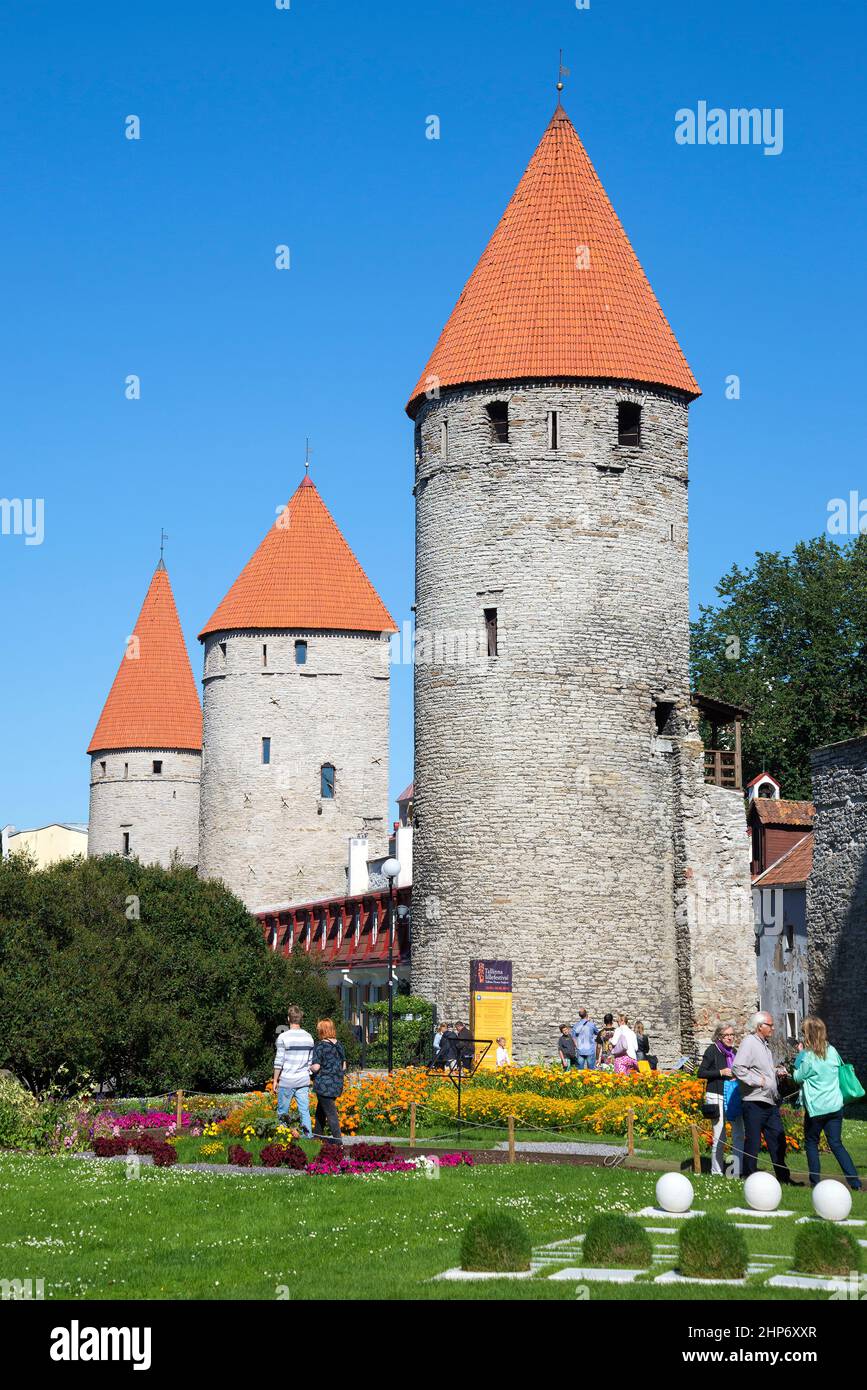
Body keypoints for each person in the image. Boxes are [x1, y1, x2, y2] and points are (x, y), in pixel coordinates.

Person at [793, 1016, 862, 1191]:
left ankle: (815, 1182)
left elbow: (797, 1077)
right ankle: (855, 1182)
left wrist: (800, 1054)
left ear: (807, 1035)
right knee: (836, 1144)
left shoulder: (807, 1057)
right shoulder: (832, 1051)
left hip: (817, 1109)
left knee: (811, 1142)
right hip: (835, 1105)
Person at [732, 1010, 791, 1183]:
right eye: (770, 1025)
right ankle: (749, 1177)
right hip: (754, 1102)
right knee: (754, 1142)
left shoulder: (764, 1045)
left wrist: (775, 1072)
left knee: (778, 1140)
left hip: (769, 1101)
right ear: (759, 1027)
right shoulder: (749, 1042)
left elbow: (761, 1068)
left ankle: (784, 1178)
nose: (773, 1028)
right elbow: (738, 1068)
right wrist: (760, 1081)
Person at [699, 1021, 745, 1177]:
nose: (730, 1038)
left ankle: (736, 1171)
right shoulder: (712, 1050)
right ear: (719, 1036)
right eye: (727, 1035)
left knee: (739, 1133)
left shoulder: (735, 1052)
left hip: (733, 1096)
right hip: (716, 1095)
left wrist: (736, 1077)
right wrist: (721, 1072)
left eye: (732, 1035)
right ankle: (716, 1172)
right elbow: (701, 1072)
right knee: (720, 1136)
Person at [272, 1005, 315, 1138]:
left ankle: (282, 1135)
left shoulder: (283, 1037)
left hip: (287, 1080)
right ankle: (307, 1136)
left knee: (283, 1111)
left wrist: (275, 1080)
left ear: (288, 1019)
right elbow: (310, 1062)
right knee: (304, 1110)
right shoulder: (309, 1037)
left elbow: (279, 1061)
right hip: (303, 1080)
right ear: (301, 1019)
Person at [309, 1019, 347, 1142]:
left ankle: (338, 1141)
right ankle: (317, 1137)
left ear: (322, 1031)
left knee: (331, 1113)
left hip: (323, 1085)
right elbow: (344, 1066)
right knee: (321, 1111)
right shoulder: (339, 1044)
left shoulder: (320, 1045)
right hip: (337, 1084)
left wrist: (308, 1066)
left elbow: (316, 1067)